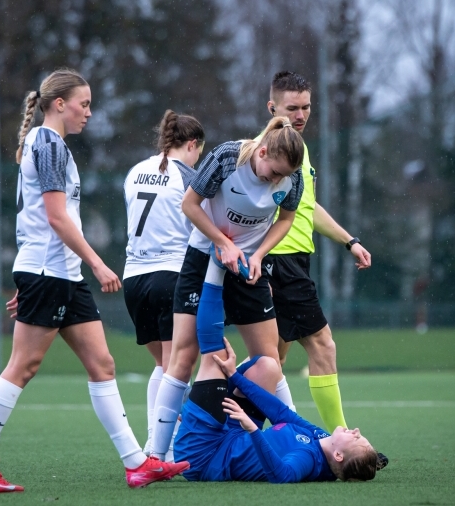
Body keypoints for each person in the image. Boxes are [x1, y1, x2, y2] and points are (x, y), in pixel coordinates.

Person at [0, 69, 190, 493]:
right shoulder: (47, 144)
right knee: (23, 367)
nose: (89, 111)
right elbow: (54, 218)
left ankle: (137, 464)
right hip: (51, 273)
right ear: (59, 104)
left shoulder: (52, 145)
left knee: (102, 365)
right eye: (83, 103)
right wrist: (97, 264)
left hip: (58, 274)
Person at [150, 116, 304, 462]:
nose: (275, 180)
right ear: (262, 150)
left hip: (248, 267)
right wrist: (222, 242)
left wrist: (259, 254)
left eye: (282, 175)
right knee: (183, 356)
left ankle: (296, 434)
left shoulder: (291, 177)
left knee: (270, 359)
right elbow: (189, 205)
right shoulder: (226, 158)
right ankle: (155, 457)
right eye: (271, 171)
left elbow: (286, 219)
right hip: (203, 257)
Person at [262, 72, 385, 471]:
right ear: (272, 108)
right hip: (280, 260)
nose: (300, 115)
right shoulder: (268, 149)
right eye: (291, 108)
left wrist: (350, 240)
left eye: (306, 107)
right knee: (322, 345)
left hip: (288, 260)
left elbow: (309, 207)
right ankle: (344, 440)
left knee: (270, 360)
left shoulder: (297, 149)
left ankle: (238, 437)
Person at [173, 337, 379, 483]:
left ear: (339, 456)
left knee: (214, 350)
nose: (356, 431)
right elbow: (281, 413)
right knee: (268, 365)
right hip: (232, 436)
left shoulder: (308, 459)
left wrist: (253, 430)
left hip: (207, 458)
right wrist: (234, 376)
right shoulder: (322, 439)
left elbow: (283, 476)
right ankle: (203, 397)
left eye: (356, 439)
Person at [122, 110, 205, 455]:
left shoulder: (136, 170)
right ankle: (162, 448)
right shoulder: (188, 176)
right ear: (192, 144)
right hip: (170, 276)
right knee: (178, 368)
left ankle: (153, 444)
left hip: (134, 278)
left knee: (163, 365)